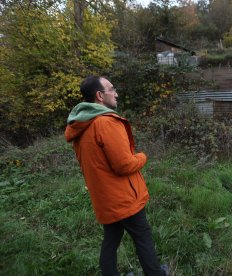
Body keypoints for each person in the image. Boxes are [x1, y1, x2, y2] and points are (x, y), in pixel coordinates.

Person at [64, 76, 167, 276]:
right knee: (142, 236)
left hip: (104, 198)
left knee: (111, 240)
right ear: (100, 96)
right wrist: (143, 156)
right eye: (112, 89)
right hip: (123, 198)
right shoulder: (106, 122)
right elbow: (124, 164)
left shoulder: (82, 123)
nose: (116, 93)